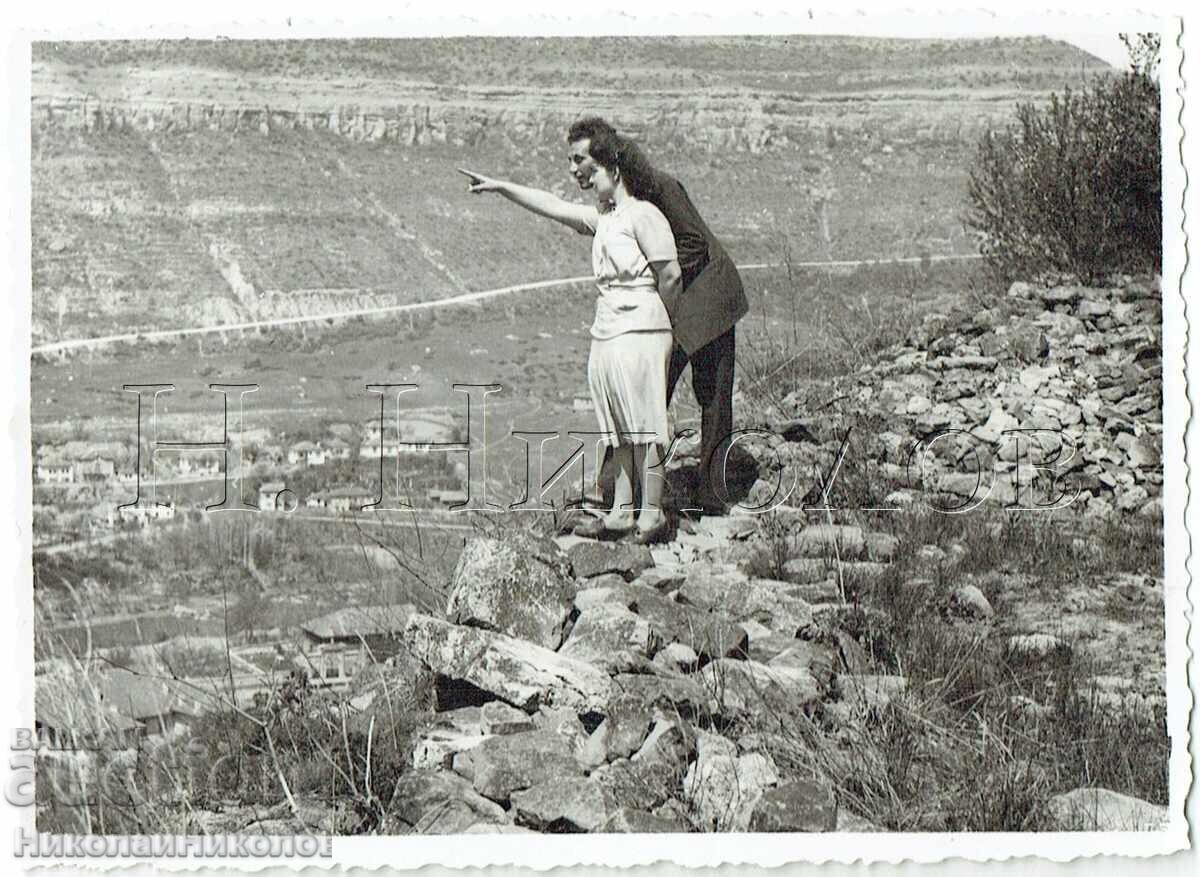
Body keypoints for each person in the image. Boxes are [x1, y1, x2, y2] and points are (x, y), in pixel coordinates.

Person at [459, 132, 681, 544]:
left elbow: (670, 275)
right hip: (609, 326)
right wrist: (503, 187)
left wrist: (659, 320)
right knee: (618, 424)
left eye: (590, 169)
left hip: (641, 325)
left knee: (646, 422)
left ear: (614, 169)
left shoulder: (644, 214)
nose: (582, 177)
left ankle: (651, 516)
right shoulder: (607, 219)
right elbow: (554, 206)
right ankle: (622, 510)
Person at [567, 118, 750, 515]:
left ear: (608, 160)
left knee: (692, 397)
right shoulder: (623, 200)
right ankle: (620, 494)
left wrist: (651, 289)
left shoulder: (658, 189)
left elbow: (694, 244)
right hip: (682, 300)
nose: (574, 169)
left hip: (709, 298)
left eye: (580, 159)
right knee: (652, 395)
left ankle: (695, 498)